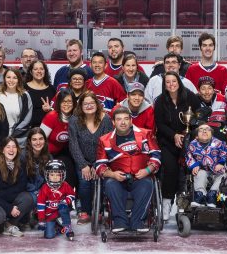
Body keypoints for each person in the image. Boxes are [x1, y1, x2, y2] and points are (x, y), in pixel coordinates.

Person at [95, 106, 161, 233]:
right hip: (118, 178)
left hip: (141, 176)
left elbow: (156, 155)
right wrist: (112, 174)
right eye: (119, 119)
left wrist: (147, 170)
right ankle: (120, 221)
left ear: (131, 121)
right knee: (110, 184)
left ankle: (138, 222)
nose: (123, 122)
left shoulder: (146, 134)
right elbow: (99, 166)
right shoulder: (104, 140)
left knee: (147, 183)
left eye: (126, 119)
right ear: (113, 122)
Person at [153, 71, 202, 204]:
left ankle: (185, 201)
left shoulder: (189, 96)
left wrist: (189, 132)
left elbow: (199, 114)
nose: (171, 84)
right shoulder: (160, 101)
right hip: (167, 141)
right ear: (164, 85)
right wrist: (173, 135)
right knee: (170, 169)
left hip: (187, 140)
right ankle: (167, 201)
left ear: (179, 82)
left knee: (187, 171)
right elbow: (160, 124)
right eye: (168, 82)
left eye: (174, 81)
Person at [67, 91, 115, 223]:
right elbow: (73, 145)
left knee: (98, 182)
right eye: (85, 103)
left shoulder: (105, 120)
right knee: (84, 183)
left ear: (97, 104)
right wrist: (83, 165)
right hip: (82, 160)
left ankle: (99, 211)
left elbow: (107, 144)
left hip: (101, 160)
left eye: (92, 103)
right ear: (80, 106)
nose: (89, 106)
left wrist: (97, 165)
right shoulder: (74, 121)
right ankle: (86, 212)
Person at [186, 124, 227, 207]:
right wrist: (195, 165)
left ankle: (212, 194)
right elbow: (189, 157)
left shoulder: (219, 143)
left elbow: (226, 153)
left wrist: (221, 163)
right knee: (199, 173)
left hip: (218, 170)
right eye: (201, 129)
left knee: (223, 176)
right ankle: (200, 195)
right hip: (203, 170)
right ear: (196, 135)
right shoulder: (192, 145)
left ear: (211, 133)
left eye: (207, 129)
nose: (204, 131)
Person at [41, 88, 76, 186]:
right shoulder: (51, 116)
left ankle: (70, 197)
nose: (66, 104)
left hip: (61, 152)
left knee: (69, 168)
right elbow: (40, 140)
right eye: (63, 101)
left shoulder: (75, 118)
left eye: (69, 101)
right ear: (59, 103)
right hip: (46, 152)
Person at [37, 159, 75, 240]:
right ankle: (58, 227)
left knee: (63, 207)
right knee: (49, 236)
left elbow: (72, 195)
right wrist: (41, 220)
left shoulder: (65, 185)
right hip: (49, 214)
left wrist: (66, 201)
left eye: (57, 175)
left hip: (61, 211)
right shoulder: (44, 188)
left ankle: (68, 227)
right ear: (47, 175)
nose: (54, 177)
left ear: (62, 175)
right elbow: (41, 205)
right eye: (52, 174)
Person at [0, 67, 33, 144]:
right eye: (8, 77)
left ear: (19, 80)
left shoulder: (25, 96)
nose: (11, 80)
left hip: (18, 139)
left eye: (14, 78)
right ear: (4, 79)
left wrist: (12, 137)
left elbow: (26, 119)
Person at [24, 59, 56, 131]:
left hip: (49, 129)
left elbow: (57, 110)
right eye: (35, 69)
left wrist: (50, 109)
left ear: (45, 71)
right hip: (28, 130)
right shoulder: (24, 88)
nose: (39, 71)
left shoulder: (52, 89)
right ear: (31, 72)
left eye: (41, 69)